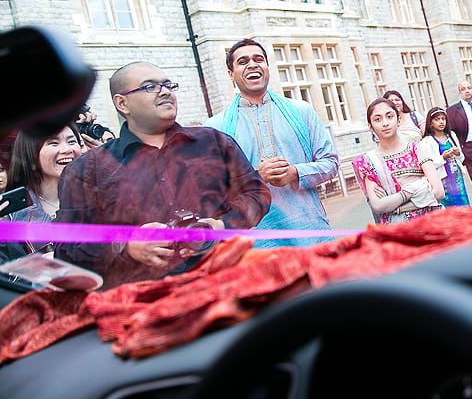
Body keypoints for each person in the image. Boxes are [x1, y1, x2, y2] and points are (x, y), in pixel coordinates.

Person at [55, 61, 271, 289]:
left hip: (229, 284)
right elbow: (67, 249)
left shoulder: (214, 143)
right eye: (150, 87)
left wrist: (224, 224)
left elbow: (257, 193)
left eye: (168, 85)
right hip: (145, 303)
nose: (165, 91)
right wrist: (126, 246)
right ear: (122, 103)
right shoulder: (87, 170)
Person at [206, 39, 340, 247]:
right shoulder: (216, 128)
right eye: (242, 61)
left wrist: (295, 172)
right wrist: (255, 178)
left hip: (310, 231)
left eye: (258, 59)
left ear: (267, 68)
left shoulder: (301, 111)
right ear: (231, 74)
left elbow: (330, 163)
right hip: (258, 241)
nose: (252, 64)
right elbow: (213, 192)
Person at [0, 125, 84, 262]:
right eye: (53, 143)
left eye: (72, 141)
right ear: (31, 153)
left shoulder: (101, 196)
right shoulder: (12, 216)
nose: (67, 149)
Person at [353, 98, 444, 224]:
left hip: (429, 224)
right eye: (378, 119)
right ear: (370, 126)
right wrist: (416, 189)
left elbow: (438, 192)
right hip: (396, 231)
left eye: (389, 116)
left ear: (399, 119)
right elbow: (378, 206)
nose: (385, 123)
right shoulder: (369, 162)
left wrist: (396, 207)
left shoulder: (417, 149)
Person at [418, 106, 471, 207]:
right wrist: (443, 157)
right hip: (442, 180)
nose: (441, 122)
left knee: (463, 203)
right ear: (431, 123)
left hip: (457, 177)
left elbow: (462, 158)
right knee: (448, 207)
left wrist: (457, 153)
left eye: (443, 119)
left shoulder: (451, 136)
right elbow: (429, 165)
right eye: (437, 119)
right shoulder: (427, 142)